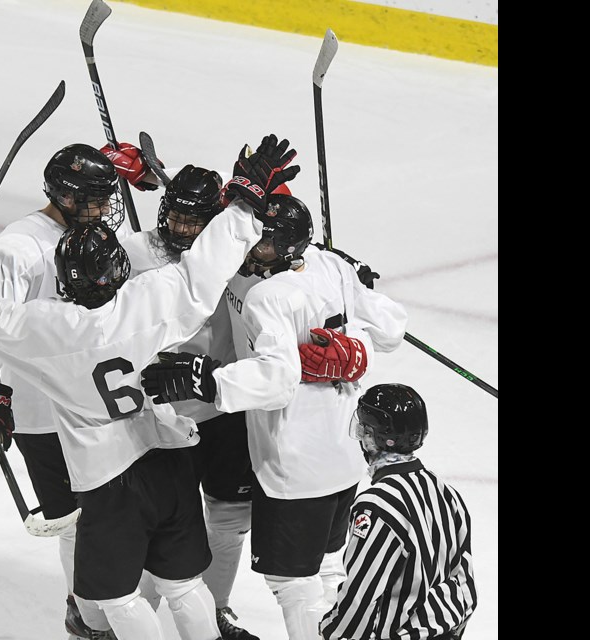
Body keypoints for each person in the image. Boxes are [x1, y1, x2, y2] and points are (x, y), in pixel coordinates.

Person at [0, 134, 299, 640]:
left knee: (117, 599)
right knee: (183, 586)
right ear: (120, 273)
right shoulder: (147, 300)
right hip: (166, 456)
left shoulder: (45, 331)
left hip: (108, 478)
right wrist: (244, 207)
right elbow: (203, 271)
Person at [141, 185, 408, 640]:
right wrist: (358, 342)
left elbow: (278, 379)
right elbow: (390, 325)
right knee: (321, 565)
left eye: (260, 240)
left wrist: (206, 380)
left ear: (283, 247)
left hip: (290, 459)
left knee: (290, 581)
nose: (248, 244)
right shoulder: (328, 264)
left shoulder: (267, 293)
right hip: (343, 454)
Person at [0, 142, 127, 640]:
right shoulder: (21, 246)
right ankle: (87, 616)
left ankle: (105, 602)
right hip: (41, 413)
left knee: (108, 516)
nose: (104, 210)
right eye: (95, 199)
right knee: (75, 521)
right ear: (66, 196)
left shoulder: (86, 232)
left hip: (92, 405)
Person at [113, 161, 260, 640]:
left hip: (222, 409)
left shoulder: (236, 252)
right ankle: (139, 614)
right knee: (157, 524)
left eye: (191, 221)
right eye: (172, 215)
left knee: (229, 519)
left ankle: (215, 608)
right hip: (159, 418)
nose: (178, 227)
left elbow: (292, 248)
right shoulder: (134, 251)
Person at [318, 384, 477, 639]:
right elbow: (464, 581)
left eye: (363, 429)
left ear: (373, 437)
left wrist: (334, 632)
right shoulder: (445, 491)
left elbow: (362, 594)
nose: (359, 435)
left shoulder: (376, 505)